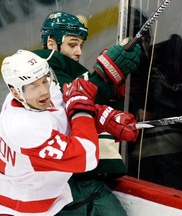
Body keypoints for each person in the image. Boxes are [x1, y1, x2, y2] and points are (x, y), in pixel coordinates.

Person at [0, 49, 139, 215]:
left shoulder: (30, 99)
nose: (43, 91)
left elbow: (65, 109)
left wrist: (101, 116)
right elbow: (85, 156)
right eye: (33, 86)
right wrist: (83, 111)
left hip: (25, 202)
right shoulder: (23, 128)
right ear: (15, 91)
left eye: (44, 80)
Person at [32, 11, 141, 215]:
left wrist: (110, 88)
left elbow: (83, 101)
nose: (79, 52)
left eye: (81, 45)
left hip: (89, 181)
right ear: (51, 43)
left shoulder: (73, 73)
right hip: (54, 183)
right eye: (72, 44)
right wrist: (104, 77)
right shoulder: (34, 76)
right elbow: (66, 105)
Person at [127, 7, 182, 194]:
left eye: (145, 38)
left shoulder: (167, 62)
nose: (143, 45)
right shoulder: (115, 73)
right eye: (137, 40)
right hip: (142, 159)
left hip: (176, 154)